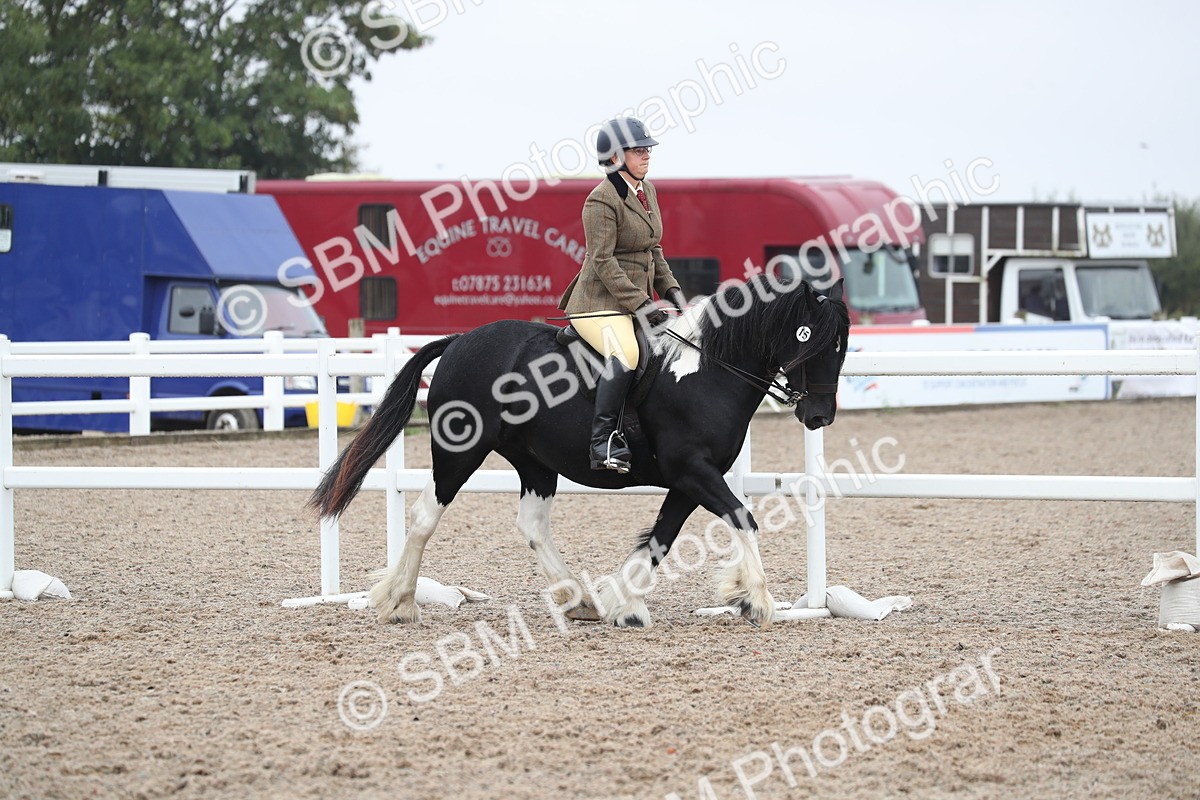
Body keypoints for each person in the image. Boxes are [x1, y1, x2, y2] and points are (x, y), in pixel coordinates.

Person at [557, 116, 686, 474]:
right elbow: (601, 260)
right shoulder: (600, 201)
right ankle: (603, 442)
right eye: (638, 150)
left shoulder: (648, 192)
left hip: (630, 304)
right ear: (615, 157)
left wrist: (671, 291)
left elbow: (652, 249)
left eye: (647, 149)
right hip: (597, 305)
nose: (647, 156)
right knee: (627, 352)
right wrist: (643, 304)